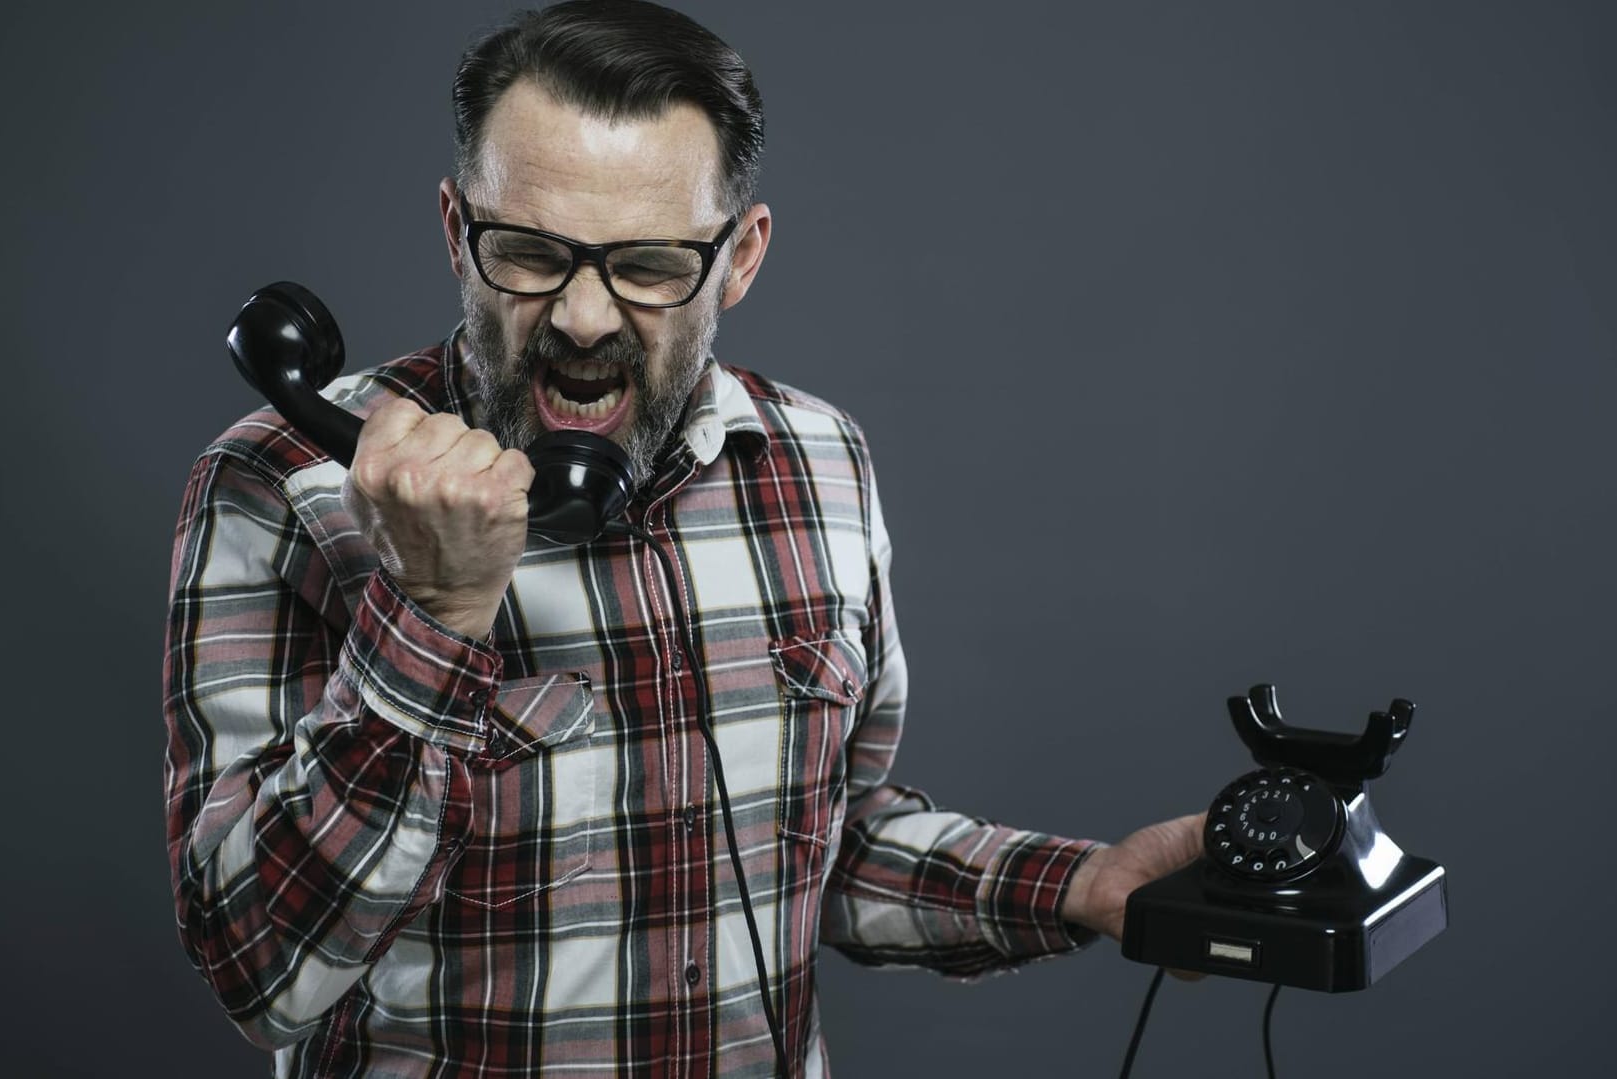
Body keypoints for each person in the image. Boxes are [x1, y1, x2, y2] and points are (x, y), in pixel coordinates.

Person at [163, 2, 1202, 1075]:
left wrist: (1083, 884)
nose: (580, 319)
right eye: (526, 253)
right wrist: (431, 614)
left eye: (649, 267)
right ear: (453, 231)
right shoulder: (278, 484)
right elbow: (255, 966)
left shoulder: (818, 462)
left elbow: (823, 844)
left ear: (739, 258)